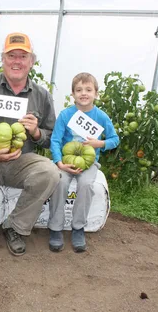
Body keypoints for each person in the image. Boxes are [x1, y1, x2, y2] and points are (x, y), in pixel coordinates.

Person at [0, 32, 60, 258]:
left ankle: (15, 227)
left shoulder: (42, 95)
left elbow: (50, 135)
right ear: (3, 59)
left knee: (49, 172)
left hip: (21, 160)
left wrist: (36, 132)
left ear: (31, 62)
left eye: (22, 57)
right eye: (11, 56)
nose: (17, 61)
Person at [48, 72, 119, 253]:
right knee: (60, 182)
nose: (83, 93)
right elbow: (55, 140)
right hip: (65, 162)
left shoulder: (101, 116)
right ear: (72, 94)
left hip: (89, 163)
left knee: (86, 184)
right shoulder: (65, 115)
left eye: (88, 89)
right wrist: (58, 162)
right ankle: (55, 228)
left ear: (96, 93)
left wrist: (99, 144)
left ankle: (78, 227)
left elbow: (114, 139)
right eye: (79, 90)